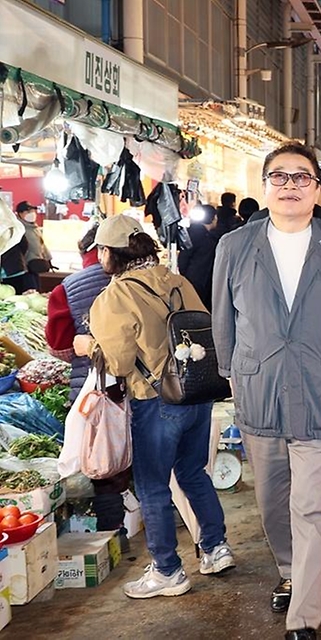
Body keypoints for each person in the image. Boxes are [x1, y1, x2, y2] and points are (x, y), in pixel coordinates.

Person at [212, 142, 321, 640]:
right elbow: (224, 321)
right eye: (279, 177)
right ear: (264, 187)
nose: (290, 186)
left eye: (301, 177)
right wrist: (233, 376)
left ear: (318, 189)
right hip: (260, 388)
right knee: (271, 499)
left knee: (309, 505)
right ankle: (289, 569)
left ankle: (303, 617)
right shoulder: (235, 247)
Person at [73, 214, 235, 599]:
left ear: (112, 253)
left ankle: (167, 570)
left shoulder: (115, 296)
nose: (99, 257)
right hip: (196, 394)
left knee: (152, 488)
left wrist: (87, 347)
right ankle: (215, 548)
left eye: (101, 251)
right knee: (194, 473)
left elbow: (118, 363)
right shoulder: (177, 281)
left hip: (156, 401)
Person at [46, 224, 129, 541]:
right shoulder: (137, 280)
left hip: (95, 387)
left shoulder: (66, 288)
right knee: (145, 456)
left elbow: (58, 345)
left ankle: (113, 531)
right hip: (140, 385)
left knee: (104, 463)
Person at [178, 204, 219, 311]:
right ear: (214, 218)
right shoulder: (207, 237)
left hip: (192, 280)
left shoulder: (192, 234)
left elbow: (183, 258)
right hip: (201, 282)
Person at [15, 201, 53, 291]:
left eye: (32, 211)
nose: (31, 214)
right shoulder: (18, 229)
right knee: (30, 290)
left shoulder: (34, 227)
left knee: (36, 289)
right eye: (28, 212)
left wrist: (48, 258)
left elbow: (41, 243)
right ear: (20, 214)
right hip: (25, 269)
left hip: (35, 267)